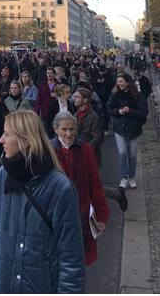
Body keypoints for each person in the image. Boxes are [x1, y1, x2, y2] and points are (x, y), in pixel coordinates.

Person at [0, 110, 85, 293]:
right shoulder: (2, 176)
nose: (1, 140)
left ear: (26, 140)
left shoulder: (60, 188)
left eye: (6, 134)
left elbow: (71, 258)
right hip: (6, 286)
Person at [51, 112, 110, 266]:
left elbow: (95, 183)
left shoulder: (85, 149)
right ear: (55, 129)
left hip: (80, 210)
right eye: (64, 129)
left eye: (72, 129)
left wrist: (101, 215)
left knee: (79, 258)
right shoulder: (48, 150)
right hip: (55, 212)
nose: (68, 134)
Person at [106, 73, 147, 189]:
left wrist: (131, 111)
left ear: (128, 82)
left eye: (121, 81)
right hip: (120, 128)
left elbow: (143, 112)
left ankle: (131, 177)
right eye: (118, 82)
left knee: (132, 155)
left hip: (134, 129)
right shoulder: (115, 95)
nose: (119, 84)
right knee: (122, 153)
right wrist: (118, 112)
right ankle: (124, 177)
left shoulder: (137, 96)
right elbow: (109, 108)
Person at [74, 87, 104, 167]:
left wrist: (85, 148)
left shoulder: (94, 117)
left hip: (90, 155)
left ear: (85, 100)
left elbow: (98, 138)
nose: (74, 99)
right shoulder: (75, 116)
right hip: (76, 154)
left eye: (77, 97)